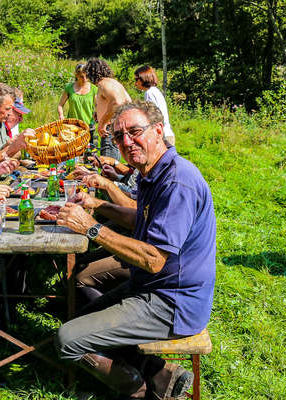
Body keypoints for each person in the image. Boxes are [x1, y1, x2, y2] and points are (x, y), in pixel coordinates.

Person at [55, 100, 216, 399]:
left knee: (67, 339)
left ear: (157, 131)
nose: (126, 142)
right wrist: (98, 205)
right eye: (119, 136)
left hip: (173, 303)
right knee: (77, 319)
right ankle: (162, 374)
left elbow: (154, 259)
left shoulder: (178, 182)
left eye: (134, 131)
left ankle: (135, 389)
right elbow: (138, 216)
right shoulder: (152, 169)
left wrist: (92, 227)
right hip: (151, 287)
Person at [83, 58, 131, 161]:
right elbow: (128, 101)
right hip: (116, 126)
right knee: (114, 163)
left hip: (109, 128)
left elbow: (117, 103)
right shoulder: (114, 82)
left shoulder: (103, 84)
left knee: (108, 165)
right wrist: (99, 113)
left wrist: (103, 122)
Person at [0, 82, 34, 166]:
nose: (9, 113)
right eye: (7, 109)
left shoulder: (1, 123)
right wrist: (13, 147)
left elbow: (10, 155)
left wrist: (16, 144)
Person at [57, 62, 98, 146]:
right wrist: (61, 115)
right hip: (72, 127)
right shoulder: (69, 87)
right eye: (81, 77)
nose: (85, 79)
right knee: (73, 153)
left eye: (87, 76)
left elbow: (98, 106)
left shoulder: (94, 89)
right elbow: (60, 105)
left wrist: (97, 113)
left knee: (91, 153)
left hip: (89, 126)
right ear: (76, 75)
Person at [135, 65, 175, 146]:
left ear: (143, 78)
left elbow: (153, 117)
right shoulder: (154, 91)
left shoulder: (149, 93)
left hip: (162, 136)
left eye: (136, 79)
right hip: (166, 133)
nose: (135, 83)